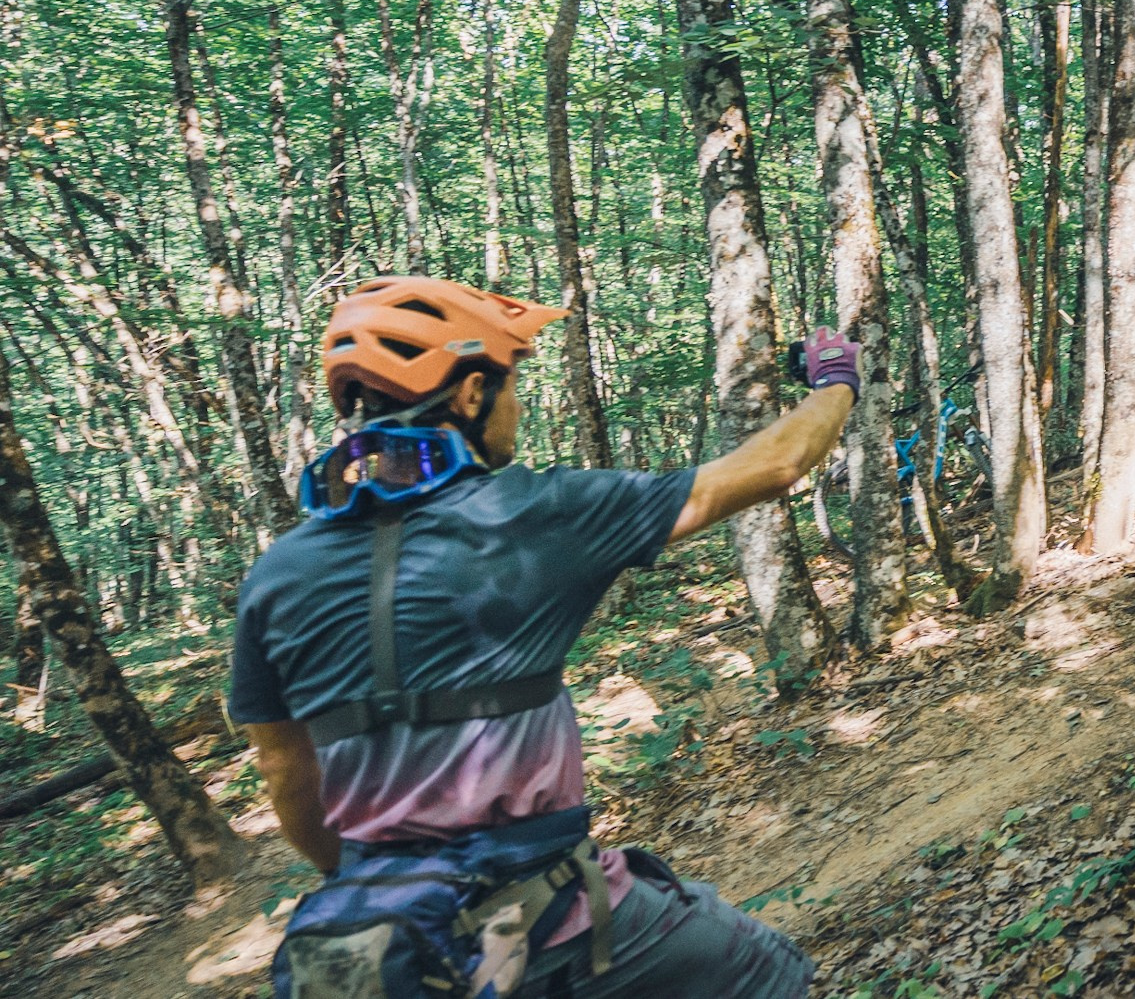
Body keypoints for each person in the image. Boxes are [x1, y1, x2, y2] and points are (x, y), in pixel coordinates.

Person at [231, 276, 859, 997]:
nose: (518, 405)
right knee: (763, 971)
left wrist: (390, 888)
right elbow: (772, 465)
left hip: (375, 947)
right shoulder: (534, 513)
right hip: (547, 921)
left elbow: (286, 775)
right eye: (512, 383)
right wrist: (833, 379)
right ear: (468, 395)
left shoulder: (275, 575)